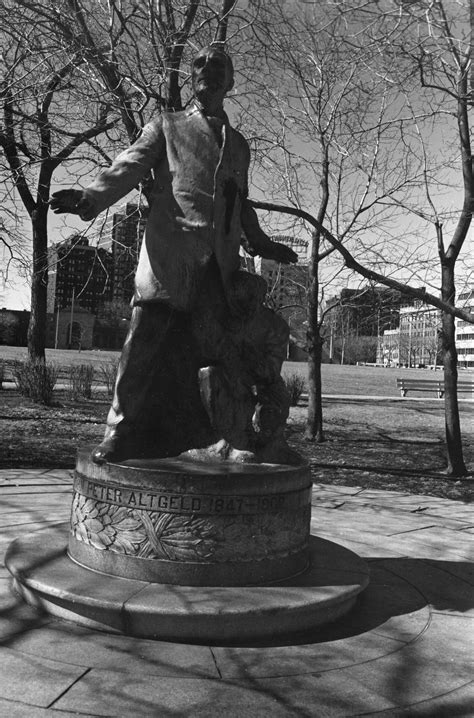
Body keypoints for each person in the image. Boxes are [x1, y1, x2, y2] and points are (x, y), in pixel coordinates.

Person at [51, 44, 297, 464]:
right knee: (142, 344)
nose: (206, 69)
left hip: (217, 267)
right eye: (199, 63)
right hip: (168, 259)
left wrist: (260, 243)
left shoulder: (238, 145)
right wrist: (92, 197)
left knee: (213, 355)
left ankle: (221, 433)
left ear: (230, 81)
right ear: (191, 77)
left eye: (218, 64)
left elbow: (239, 203)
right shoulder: (167, 126)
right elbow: (128, 165)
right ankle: (119, 432)